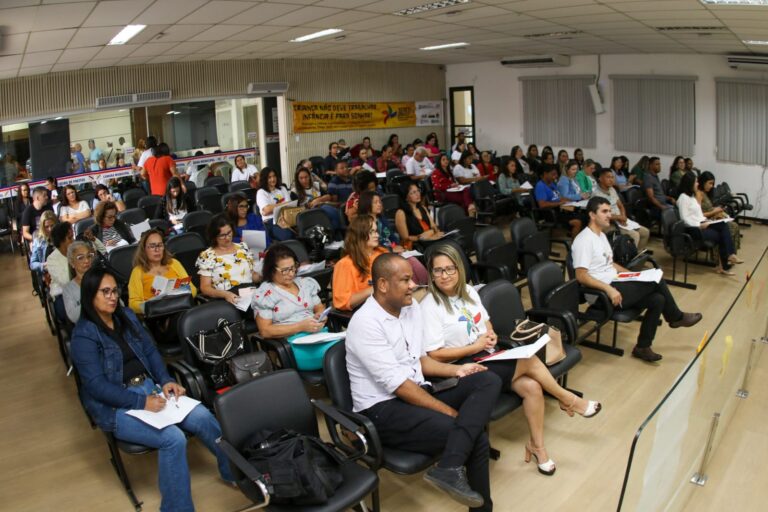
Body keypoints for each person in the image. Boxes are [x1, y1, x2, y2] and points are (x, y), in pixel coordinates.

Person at [421, 244, 601, 475]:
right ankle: (568, 399)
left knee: (533, 387)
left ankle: (538, 447)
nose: (445, 275)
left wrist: (490, 333)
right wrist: (474, 345)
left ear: (459, 269)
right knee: (528, 361)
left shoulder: (468, 291)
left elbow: (484, 321)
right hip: (460, 369)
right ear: (431, 274)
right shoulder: (429, 306)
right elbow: (434, 354)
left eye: (450, 269)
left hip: (484, 355)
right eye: (438, 271)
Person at [70, 267, 234, 511]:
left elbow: (149, 351)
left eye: (115, 291)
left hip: (150, 388)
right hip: (115, 405)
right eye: (105, 292)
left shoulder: (125, 316)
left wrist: (165, 379)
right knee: (173, 439)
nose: (112, 297)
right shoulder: (83, 335)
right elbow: (96, 386)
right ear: (89, 295)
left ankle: (234, 473)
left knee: (203, 416)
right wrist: (141, 403)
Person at [346, 252, 499, 510]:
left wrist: (458, 371)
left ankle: (449, 467)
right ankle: (471, 493)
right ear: (383, 285)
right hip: (383, 410)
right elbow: (399, 386)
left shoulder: (410, 308)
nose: (413, 285)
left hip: (417, 390)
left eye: (412, 279)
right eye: (405, 280)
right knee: (474, 437)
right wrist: (451, 413)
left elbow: (420, 360)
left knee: (488, 380)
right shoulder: (365, 324)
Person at [573, 197, 702, 362]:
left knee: (658, 299)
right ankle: (676, 317)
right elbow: (581, 276)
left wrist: (631, 275)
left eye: (609, 211)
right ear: (592, 215)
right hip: (601, 294)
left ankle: (642, 347)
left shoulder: (601, 236)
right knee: (656, 279)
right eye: (604, 211)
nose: (609, 215)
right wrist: (609, 289)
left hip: (615, 283)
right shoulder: (584, 240)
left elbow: (610, 264)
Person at [128, 229, 196, 340]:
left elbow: (192, 289)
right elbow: (132, 303)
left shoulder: (174, 263)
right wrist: (152, 304)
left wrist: (177, 294)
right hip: (158, 319)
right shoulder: (138, 271)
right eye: (152, 246)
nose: (157, 250)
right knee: (187, 320)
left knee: (189, 316)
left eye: (160, 245)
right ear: (144, 249)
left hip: (181, 309)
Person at [252, 244, 327, 337]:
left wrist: (320, 315)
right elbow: (265, 331)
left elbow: (319, 307)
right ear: (271, 270)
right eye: (285, 270)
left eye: (293, 267)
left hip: (317, 334)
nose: (291, 274)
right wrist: (300, 327)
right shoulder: (265, 294)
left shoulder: (305, 283)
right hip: (289, 341)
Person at [358, 191, 429, 285]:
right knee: (411, 262)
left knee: (413, 260)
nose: (379, 204)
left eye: (380, 202)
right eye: (375, 202)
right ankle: (420, 286)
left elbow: (391, 237)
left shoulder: (381, 220)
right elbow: (370, 245)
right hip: (379, 254)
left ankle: (422, 286)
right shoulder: (363, 223)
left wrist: (396, 246)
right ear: (366, 204)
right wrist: (391, 249)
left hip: (391, 250)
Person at [677, 172, 741, 276]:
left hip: (701, 224)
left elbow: (699, 215)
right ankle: (726, 261)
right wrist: (699, 224)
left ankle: (727, 259)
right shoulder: (683, 198)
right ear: (689, 183)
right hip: (694, 229)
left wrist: (707, 221)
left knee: (723, 225)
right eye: (696, 182)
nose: (697, 184)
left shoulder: (692, 197)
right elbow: (684, 219)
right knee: (722, 234)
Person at [196, 214, 260, 304]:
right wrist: (225, 294)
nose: (227, 238)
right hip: (227, 297)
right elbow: (205, 288)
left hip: (251, 291)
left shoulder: (243, 247)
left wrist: (262, 273)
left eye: (229, 233)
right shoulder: (208, 255)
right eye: (222, 235)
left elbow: (253, 277)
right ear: (214, 236)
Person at [332, 215, 388, 311]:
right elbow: (342, 302)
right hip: (367, 310)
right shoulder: (345, 264)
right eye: (372, 232)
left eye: (376, 231)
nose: (377, 235)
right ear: (359, 234)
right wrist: (372, 290)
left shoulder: (382, 253)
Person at [591, 168, 650, 250]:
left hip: (619, 220)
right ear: (600, 179)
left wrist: (623, 216)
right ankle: (627, 260)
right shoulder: (596, 194)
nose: (611, 180)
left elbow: (620, 205)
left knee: (645, 232)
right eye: (608, 177)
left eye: (612, 177)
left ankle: (637, 257)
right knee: (634, 235)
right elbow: (602, 215)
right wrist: (619, 218)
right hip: (608, 223)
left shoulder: (612, 189)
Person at [697, 171, 740, 254]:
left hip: (711, 218)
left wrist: (716, 209)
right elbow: (699, 214)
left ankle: (730, 254)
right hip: (705, 221)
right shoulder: (699, 194)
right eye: (709, 183)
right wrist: (714, 212)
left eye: (712, 183)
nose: (711, 186)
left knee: (734, 226)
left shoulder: (706, 193)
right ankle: (723, 256)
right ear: (703, 182)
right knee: (730, 227)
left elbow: (708, 208)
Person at [534, 165, 582, 238]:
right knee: (577, 222)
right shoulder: (540, 186)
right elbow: (542, 204)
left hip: (560, 210)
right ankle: (574, 246)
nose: (555, 176)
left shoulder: (552, 184)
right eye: (553, 174)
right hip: (551, 214)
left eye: (556, 174)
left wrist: (569, 200)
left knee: (583, 216)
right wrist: (559, 203)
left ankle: (575, 235)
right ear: (545, 174)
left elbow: (559, 197)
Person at [394, 182, 444, 250]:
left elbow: (433, 226)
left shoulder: (423, 208)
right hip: (416, 246)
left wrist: (435, 233)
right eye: (413, 192)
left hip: (430, 240)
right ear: (406, 197)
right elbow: (405, 238)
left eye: (418, 190)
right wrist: (423, 237)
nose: (418, 194)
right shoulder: (400, 213)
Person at [291, 166, 341, 232]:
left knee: (333, 211)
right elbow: (295, 211)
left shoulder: (316, 185)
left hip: (321, 208)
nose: (304, 180)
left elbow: (329, 196)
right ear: (297, 179)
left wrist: (318, 200)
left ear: (310, 176)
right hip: (308, 214)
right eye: (301, 178)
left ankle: (336, 233)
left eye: (306, 177)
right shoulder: (294, 192)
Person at [256, 166, 294, 241]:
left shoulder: (282, 188)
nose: (273, 179)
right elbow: (267, 210)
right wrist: (284, 204)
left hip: (286, 216)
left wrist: (274, 207)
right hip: (271, 221)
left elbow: (289, 205)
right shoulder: (261, 192)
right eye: (269, 177)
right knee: (288, 236)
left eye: (274, 176)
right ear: (264, 179)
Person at [46, 222, 74, 321]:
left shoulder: (77, 251)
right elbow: (66, 281)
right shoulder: (52, 259)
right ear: (61, 241)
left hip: (82, 289)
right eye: (70, 238)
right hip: (62, 294)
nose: (73, 240)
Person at [63, 241, 95, 323]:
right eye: (81, 258)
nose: (87, 261)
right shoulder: (68, 289)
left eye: (89, 256)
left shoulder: (103, 279)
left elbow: (120, 304)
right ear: (72, 263)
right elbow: (74, 317)